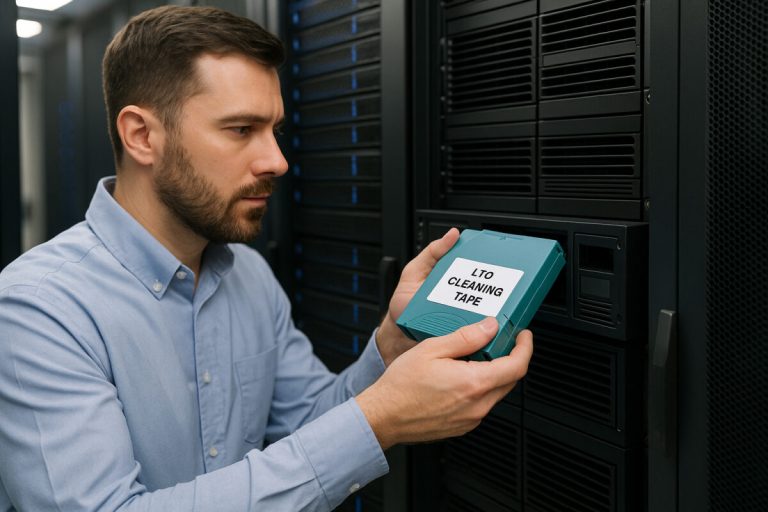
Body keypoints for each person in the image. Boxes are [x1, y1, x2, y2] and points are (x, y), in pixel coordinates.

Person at [0, 6, 533, 511]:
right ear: (141, 135)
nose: (277, 160)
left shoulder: (248, 274)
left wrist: (389, 348)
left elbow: (309, 423)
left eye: (273, 130)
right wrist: (378, 421)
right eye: (240, 130)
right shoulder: (38, 309)